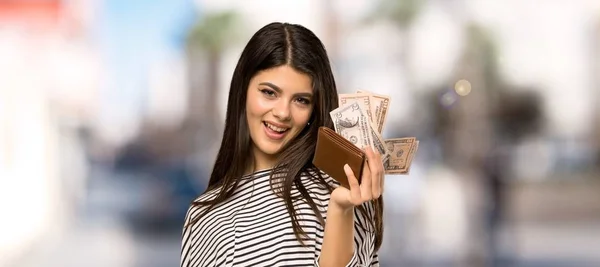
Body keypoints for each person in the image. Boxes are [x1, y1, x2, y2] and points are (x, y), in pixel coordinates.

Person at [180, 22, 385, 267]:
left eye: (301, 100)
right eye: (269, 93)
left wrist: (341, 209)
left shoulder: (342, 192)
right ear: (243, 90)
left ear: (314, 109)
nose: (282, 113)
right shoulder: (203, 215)